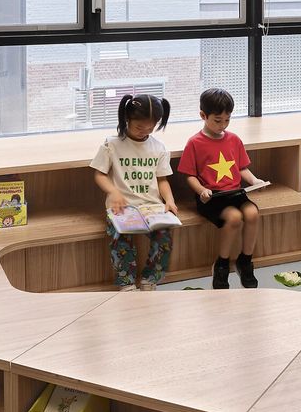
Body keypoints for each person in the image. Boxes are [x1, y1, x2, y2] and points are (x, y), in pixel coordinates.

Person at [90, 93, 178, 291]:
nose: (144, 132)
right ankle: (127, 283)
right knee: (119, 239)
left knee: (164, 237)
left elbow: (162, 179)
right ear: (127, 119)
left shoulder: (158, 147)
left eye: (151, 127)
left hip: (151, 207)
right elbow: (99, 175)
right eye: (139, 127)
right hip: (122, 207)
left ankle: (150, 280)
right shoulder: (112, 144)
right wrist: (113, 192)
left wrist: (169, 201)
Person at [178, 87, 262, 289]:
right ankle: (222, 264)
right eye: (217, 120)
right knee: (233, 218)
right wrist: (201, 191)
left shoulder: (233, 139)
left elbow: (241, 168)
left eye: (227, 120)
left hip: (234, 192)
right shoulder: (195, 143)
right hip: (211, 197)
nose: (222, 125)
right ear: (203, 116)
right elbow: (189, 175)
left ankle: (245, 260)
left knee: (252, 213)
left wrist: (254, 181)